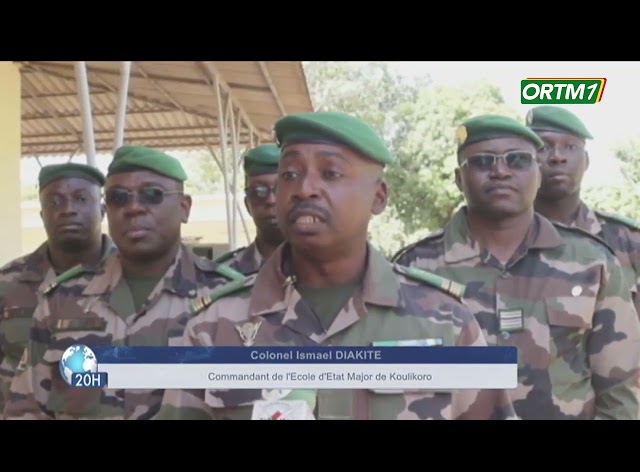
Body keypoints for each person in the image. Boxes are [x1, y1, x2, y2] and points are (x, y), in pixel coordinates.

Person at [157, 111, 518, 420]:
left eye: (330, 173)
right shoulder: (214, 328)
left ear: (378, 197)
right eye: (290, 174)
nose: (304, 189)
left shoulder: (446, 321)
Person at [392, 114, 640, 420]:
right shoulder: (414, 268)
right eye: (482, 162)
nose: (500, 171)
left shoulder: (593, 261)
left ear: (537, 173)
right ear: (459, 179)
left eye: (518, 161)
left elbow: (620, 392)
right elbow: (402, 391)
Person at [3, 145, 245, 420]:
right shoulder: (62, 300)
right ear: (108, 210)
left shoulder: (231, 299)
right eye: (119, 197)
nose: (133, 208)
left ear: (184, 207)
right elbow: (24, 409)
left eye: (152, 195)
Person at [0, 163, 115, 416]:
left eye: (81, 199)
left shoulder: (132, 276)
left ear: (103, 210)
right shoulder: (8, 282)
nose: (67, 210)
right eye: (54, 202)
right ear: (42, 216)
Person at [526, 105, 640, 317]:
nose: (557, 157)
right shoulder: (503, 239)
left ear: (586, 161)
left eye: (570, 147)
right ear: (524, 161)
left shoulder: (629, 241)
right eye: (543, 147)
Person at [214, 143, 285, 274]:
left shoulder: (328, 271)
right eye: (259, 192)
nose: (271, 200)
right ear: (247, 205)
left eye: (280, 190)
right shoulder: (221, 275)